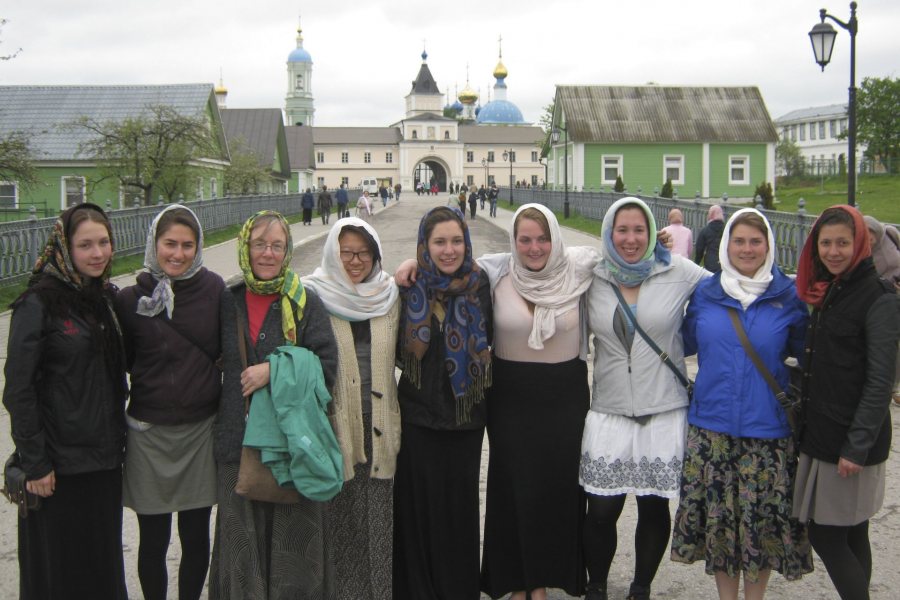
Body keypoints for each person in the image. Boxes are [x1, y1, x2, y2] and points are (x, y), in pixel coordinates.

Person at [670, 208, 813, 599]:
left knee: (759, 527)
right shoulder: (705, 294)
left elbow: (809, 356)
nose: (747, 249)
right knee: (720, 527)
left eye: (755, 241)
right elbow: (681, 342)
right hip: (712, 429)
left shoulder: (788, 297)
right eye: (739, 241)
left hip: (766, 433)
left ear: (768, 245)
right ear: (726, 245)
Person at [580, 197, 708, 600]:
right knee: (601, 509)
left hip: (664, 408)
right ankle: (596, 584)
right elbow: (534, 257)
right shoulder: (593, 273)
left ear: (653, 232)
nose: (631, 239)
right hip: (609, 407)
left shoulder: (677, 270)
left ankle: (640, 588)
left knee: (654, 507)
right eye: (623, 230)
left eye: (640, 230)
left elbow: (730, 285)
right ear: (609, 233)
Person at [209, 210, 338, 599]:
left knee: (293, 544)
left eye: (277, 245)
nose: (268, 254)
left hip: (290, 444)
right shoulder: (227, 301)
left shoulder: (304, 301)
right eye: (259, 244)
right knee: (241, 541)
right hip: (238, 439)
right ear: (245, 247)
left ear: (287, 249)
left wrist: (275, 371)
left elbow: (327, 368)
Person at [3, 203, 128, 599]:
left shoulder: (104, 298)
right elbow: (18, 391)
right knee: (59, 573)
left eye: (104, 242)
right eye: (85, 245)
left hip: (104, 462)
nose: (98, 253)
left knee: (100, 566)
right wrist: (36, 462)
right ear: (64, 248)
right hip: (56, 470)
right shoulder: (39, 304)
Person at [478, 204, 596, 600]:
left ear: (556, 239)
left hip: (565, 395)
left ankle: (546, 579)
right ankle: (517, 581)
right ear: (513, 241)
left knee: (558, 488)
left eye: (543, 238)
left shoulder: (579, 272)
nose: (534, 247)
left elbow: (629, 257)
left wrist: (662, 247)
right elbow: (448, 266)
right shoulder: (495, 272)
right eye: (525, 239)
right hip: (511, 395)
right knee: (514, 487)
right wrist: (410, 263)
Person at [113, 205, 224, 600]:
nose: (178, 254)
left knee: (195, 537)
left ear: (199, 247)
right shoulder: (129, 300)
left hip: (198, 431)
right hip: (149, 434)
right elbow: (122, 361)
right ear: (153, 243)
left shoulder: (213, 290)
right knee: (154, 540)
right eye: (169, 244)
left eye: (187, 245)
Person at [791, 205, 899, 600]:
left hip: (851, 441)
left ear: (860, 245)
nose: (833, 251)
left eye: (843, 243)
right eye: (826, 243)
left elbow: (880, 381)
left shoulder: (878, 297)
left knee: (825, 533)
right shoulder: (832, 289)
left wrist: (857, 445)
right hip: (823, 430)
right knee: (854, 530)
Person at [393, 206, 493, 600]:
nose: (448, 250)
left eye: (455, 241)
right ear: (425, 245)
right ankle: (416, 590)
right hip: (417, 415)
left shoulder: (481, 283)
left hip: (465, 418)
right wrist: (404, 267)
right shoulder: (410, 285)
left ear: (466, 243)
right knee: (416, 510)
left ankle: (457, 589)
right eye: (439, 242)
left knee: (457, 510)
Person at [302, 217, 400, 600]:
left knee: (378, 519)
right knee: (338, 520)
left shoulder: (389, 296)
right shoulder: (313, 296)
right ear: (332, 252)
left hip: (380, 425)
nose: (355, 261)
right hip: (333, 428)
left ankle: (379, 593)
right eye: (346, 252)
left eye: (364, 253)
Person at [863, 215, 900, 405]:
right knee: (889, 341)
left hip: (898, 292)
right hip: (880, 299)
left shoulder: (890, 233)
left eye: (871, 237)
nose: (869, 241)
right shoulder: (861, 250)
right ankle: (892, 387)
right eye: (865, 237)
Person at [695, 204, 725, 272]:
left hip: (710, 263)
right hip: (724, 263)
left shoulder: (705, 230)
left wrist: (696, 263)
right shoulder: (726, 230)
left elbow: (699, 249)